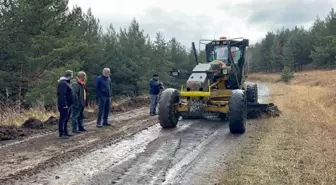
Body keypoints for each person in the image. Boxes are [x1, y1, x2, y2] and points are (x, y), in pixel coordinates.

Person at [57, 70, 74, 139]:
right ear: (69, 75)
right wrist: (64, 104)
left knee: (66, 119)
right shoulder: (63, 83)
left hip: (69, 104)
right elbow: (62, 95)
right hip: (64, 105)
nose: (72, 77)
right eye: (72, 75)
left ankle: (66, 132)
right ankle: (61, 134)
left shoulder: (67, 83)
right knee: (63, 119)